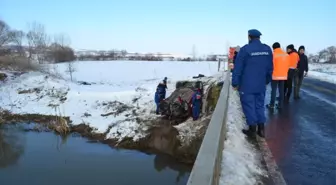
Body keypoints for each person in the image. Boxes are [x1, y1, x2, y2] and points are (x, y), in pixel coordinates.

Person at [232, 29, 273, 138]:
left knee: (249, 105)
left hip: (247, 84)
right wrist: (267, 80)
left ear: (249, 37)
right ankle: (261, 129)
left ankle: (252, 129)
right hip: (261, 84)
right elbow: (270, 68)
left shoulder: (245, 50)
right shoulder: (267, 49)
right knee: (260, 105)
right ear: (259, 37)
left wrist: (235, 82)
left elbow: (238, 68)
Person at [266, 42, 289, 110]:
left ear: (274, 48)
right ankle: (280, 105)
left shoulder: (273, 55)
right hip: (283, 76)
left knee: (274, 90)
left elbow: (270, 65)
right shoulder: (286, 55)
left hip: (275, 75)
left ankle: (272, 104)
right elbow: (288, 66)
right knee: (281, 91)